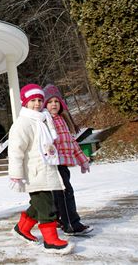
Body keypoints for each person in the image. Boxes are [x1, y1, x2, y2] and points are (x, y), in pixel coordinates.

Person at [8, 84, 73, 254]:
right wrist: (16, 174)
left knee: (39, 203)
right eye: (33, 100)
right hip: (33, 172)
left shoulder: (43, 120)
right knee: (47, 206)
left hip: (47, 169)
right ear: (25, 102)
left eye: (39, 100)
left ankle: (22, 228)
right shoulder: (23, 124)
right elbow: (15, 151)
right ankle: (50, 240)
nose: (37, 104)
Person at [43, 84, 93, 236]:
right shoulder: (45, 121)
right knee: (65, 193)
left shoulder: (62, 119)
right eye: (50, 102)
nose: (53, 104)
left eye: (56, 101)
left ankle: (60, 219)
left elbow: (71, 142)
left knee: (60, 194)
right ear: (45, 104)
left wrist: (82, 160)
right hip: (54, 163)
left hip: (63, 164)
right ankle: (71, 223)